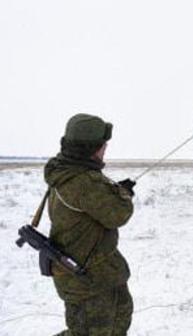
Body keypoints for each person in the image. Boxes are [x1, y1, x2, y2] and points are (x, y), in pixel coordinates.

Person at [45, 113, 136, 335]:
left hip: (97, 273)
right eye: (103, 145)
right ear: (92, 148)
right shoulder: (83, 181)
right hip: (88, 282)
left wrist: (114, 192)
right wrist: (123, 195)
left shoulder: (65, 172)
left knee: (118, 319)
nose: (106, 148)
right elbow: (118, 214)